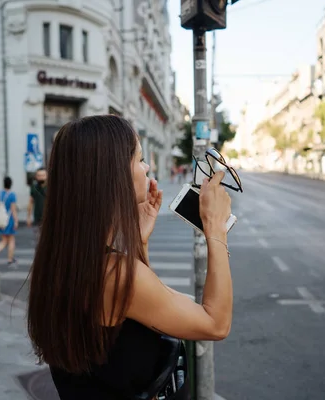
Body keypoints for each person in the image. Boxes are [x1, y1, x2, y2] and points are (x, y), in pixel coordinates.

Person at [27, 115, 233, 399]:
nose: (147, 167)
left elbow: (137, 315)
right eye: (139, 159)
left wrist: (139, 241)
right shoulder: (114, 274)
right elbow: (215, 323)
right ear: (113, 175)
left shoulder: (66, 259)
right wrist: (215, 228)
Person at [0, 176, 19, 268]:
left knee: (4, 240)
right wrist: (16, 221)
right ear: (11, 184)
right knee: (11, 240)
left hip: (1, 219)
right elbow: (13, 209)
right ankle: (10, 259)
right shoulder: (12, 195)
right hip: (9, 219)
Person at [27, 167, 47, 239]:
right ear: (36, 177)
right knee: (39, 240)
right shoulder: (34, 187)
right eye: (39, 175)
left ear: (47, 176)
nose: (41, 177)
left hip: (49, 218)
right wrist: (28, 217)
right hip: (38, 219)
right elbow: (30, 202)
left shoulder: (51, 187)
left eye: (43, 175)